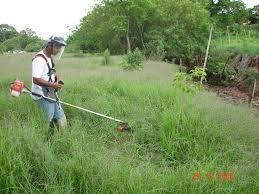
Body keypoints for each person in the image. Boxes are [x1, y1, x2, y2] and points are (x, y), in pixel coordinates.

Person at [31, 36, 67, 133]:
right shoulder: (39, 60)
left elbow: (51, 71)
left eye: (60, 48)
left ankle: (63, 139)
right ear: (50, 46)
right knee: (47, 121)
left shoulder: (48, 57)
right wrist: (53, 85)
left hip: (50, 93)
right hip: (42, 95)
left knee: (61, 118)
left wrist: (57, 78)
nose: (59, 50)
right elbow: (36, 79)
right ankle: (43, 141)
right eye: (58, 47)